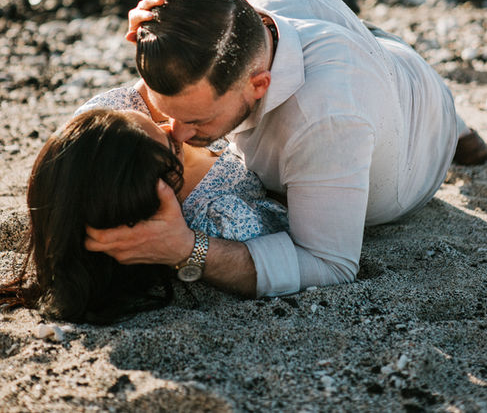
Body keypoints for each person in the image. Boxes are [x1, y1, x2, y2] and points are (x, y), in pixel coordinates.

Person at [85, 0, 487, 300]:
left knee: (421, 114)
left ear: (259, 85)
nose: (177, 133)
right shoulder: (242, 0)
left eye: (198, 121)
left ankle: (458, 131)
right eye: (171, 115)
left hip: (419, 146)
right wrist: (174, 23)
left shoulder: (325, 120)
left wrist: (187, 250)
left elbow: (330, 263)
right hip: (379, 54)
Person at [0, 108, 287, 322]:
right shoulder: (222, 220)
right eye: (171, 144)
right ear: (158, 194)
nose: (177, 128)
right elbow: (299, 235)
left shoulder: (105, 134)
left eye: (154, 119)